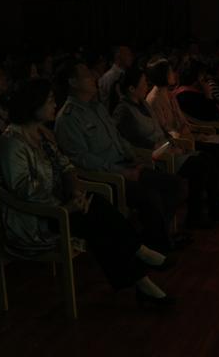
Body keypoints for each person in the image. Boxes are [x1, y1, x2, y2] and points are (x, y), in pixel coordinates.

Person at [0, 79, 175, 306]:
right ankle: (141, 265)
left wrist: (75, 192)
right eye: (50, 101)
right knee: (97, 223)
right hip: (37, 217)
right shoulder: (13, 141)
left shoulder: (42, 134)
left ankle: (143, 275)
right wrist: (65, 206)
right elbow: (24, 190)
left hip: (61, 204)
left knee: (98, 209)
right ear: (34, 104)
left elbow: (66, 166)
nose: (55, 105)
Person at [53, 61, 184, 250]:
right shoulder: (69, 118)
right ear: (73, 82)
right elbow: (81, 159)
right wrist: (120, 172)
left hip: (126, 165)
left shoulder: (97, 107)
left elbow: (118, 137)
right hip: (105, 178)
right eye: (87, 75)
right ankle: (157, 245)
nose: (94, 77)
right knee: (151, 196)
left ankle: (149, 239)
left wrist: (133, 157)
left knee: (175, 185)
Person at [113, 67, 219, 227]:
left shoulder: (144, 104)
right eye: (143, 83)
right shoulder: (123, 111)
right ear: (132, 89)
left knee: (207, 159)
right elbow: (131, 140)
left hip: (166, 147)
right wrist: (163, 147)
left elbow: (161, 129)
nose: (146, 86)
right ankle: (197, 215)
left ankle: (212, 210)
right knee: (200, 164)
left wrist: (172, 142)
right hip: (154, 156)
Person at [98, 45, 134, 113]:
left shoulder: (125, 74)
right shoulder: (109, 77)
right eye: (128, 55)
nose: (131, 57)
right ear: (118, 57)